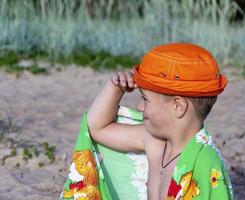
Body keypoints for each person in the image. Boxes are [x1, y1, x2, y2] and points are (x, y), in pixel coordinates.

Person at [87, 43, 234, 199]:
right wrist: (115, 88)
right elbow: (97, 128)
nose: (139, 106)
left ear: (178, 106)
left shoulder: (205, 162)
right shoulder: (154, 141)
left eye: (145, 99)